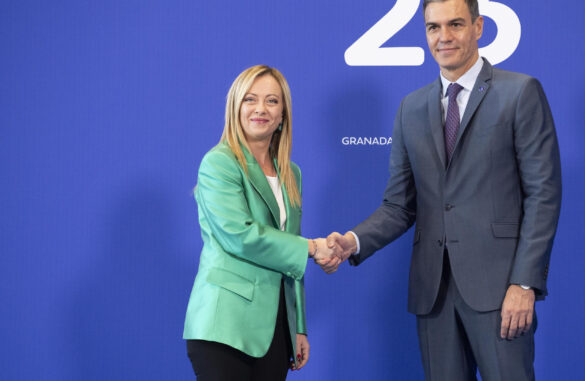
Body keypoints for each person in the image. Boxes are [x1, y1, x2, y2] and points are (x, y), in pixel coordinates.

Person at [325, 0, 562, 379]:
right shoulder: (410, 108)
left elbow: (543, 195)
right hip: (432, 294)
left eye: (455, 24)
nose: (444, 37)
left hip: (501, 290)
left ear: (479, 27)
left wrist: (525, 282)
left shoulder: (519, 93)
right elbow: (398, 206)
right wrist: (353, 241)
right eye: (433, 27)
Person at [183, 65, 336, 381]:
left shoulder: (291, 174)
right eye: (250, 100)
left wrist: (299, 326)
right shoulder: (219, 163)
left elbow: (287, 254)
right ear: (235, 107)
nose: (260, 109)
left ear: (283, 115)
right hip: (223, 327)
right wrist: (313, 248)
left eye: (272, 101)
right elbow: (240, 236)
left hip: (275, 330)